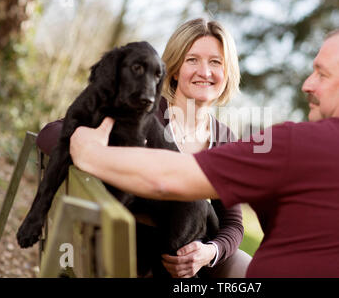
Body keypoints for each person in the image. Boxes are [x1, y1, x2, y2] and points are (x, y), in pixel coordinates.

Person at [69, 24, 339, 277]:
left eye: (322, 75)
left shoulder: (299, 144)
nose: (307, 85)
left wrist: (90, 153)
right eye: (193, 61)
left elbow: (169, 179)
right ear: (174, 70)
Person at [36, 18, 252, 278]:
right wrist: (88, 147)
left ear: (227, 72)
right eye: (192, 60)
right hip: (126, 243)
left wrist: (209, 252)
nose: (204, 72)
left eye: (215, 62)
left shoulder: (225, 139)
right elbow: (51, 132)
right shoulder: (140, 107)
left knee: (245, 267)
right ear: (173, 69)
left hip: (189, 257)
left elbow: (233, 223)